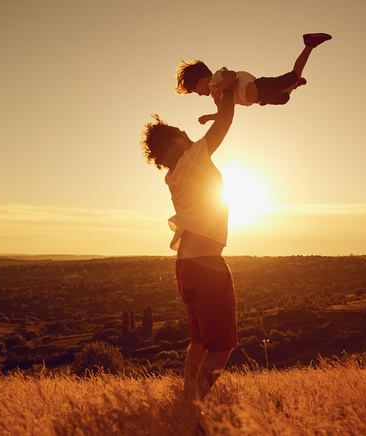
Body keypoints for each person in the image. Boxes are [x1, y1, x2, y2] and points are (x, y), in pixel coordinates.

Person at [141, 78, 238, 403]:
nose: (189, 135)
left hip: (185, 267)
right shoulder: (193, 158)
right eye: (184, 134)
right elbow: (226, 121)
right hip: (207, 266)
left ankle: (185, 404)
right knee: (221, 347)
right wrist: (228, 89)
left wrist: (220, 106)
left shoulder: (174, 175)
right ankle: (193, 409)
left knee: (198, 341)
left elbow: (219, 119)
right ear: (180, 142)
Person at [175, 33, 332, 124]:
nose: (199, 94)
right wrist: (209, 117)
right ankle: (295, 85)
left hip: (259, 86)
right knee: (284, 99)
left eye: (195, 90)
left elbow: (233, 75)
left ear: (199, 80)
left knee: (293, 74)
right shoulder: (216, 95)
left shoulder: (216, 79)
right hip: (260, 99)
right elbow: (223, 114)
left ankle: (309, 44)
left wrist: (220, 90)